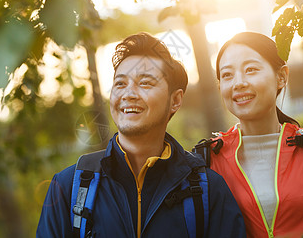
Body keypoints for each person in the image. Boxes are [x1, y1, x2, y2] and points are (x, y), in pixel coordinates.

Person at [36, 32, 246, 237]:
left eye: (145, 83)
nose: (128, 94)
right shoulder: (69, 187)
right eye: (120, 83)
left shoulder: (207, 190)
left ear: (175, 101)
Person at [207, 31, 303, 237]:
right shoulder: (206, 161)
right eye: (227, 75)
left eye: (251, 69)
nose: (238, 83)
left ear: (281, 77)